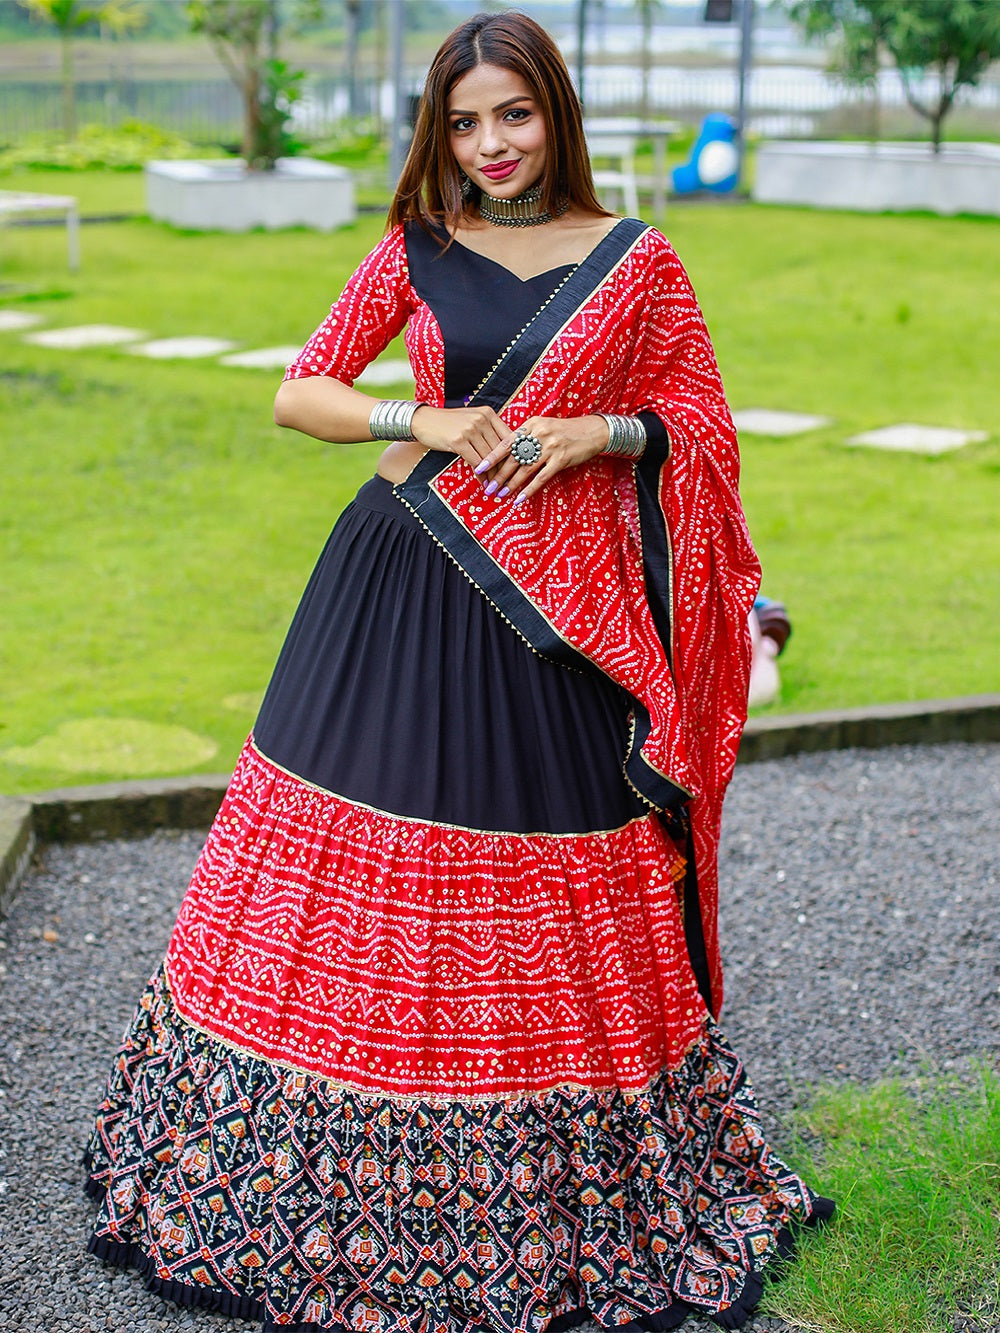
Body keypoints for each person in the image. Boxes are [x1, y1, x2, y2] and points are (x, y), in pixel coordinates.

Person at [84, 12, 831, 1332]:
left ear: (558, 112)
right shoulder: (418, 247)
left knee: (549, 872)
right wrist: (417, 414)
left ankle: (553, 1180)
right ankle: (306, 1172)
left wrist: (600, 431)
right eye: (468, 120)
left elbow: (699, 425)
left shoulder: (639, 264)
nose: (491, 144)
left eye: (517, 114)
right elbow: (298, 390)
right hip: (401, 580)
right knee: (347, 882)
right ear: (443, 129)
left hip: (559, 624)